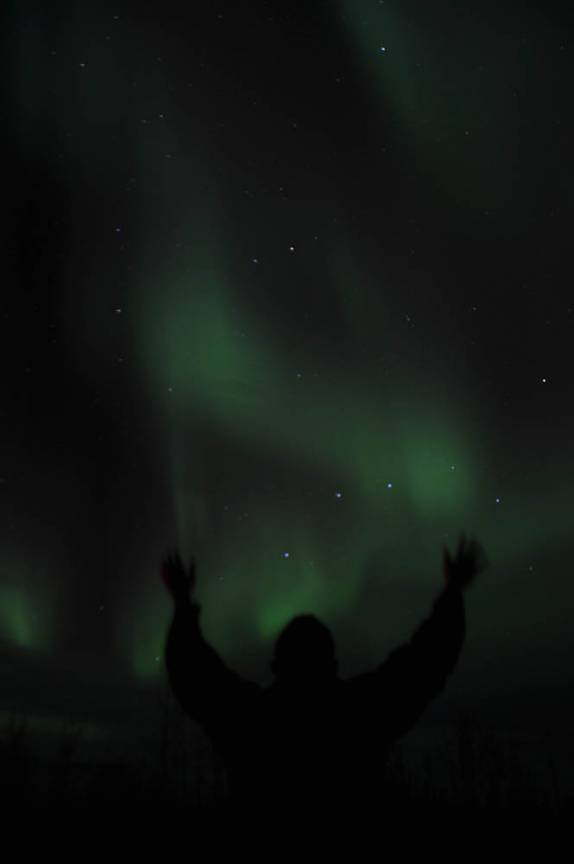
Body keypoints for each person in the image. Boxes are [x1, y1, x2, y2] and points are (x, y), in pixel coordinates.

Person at [162, 535, 486, 829]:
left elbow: (195, 676)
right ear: (331, 662)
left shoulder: (250, 720)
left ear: (277, 664)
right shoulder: (361, 716)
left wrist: (181, 603)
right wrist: (453, 591)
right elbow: (422, 667)